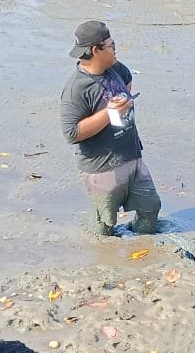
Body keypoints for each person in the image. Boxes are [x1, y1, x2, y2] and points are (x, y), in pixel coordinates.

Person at [60, 21, 162, 237]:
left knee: (150, 208)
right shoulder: (76, 89)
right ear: (95, 50)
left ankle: (142, 246)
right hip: (102, 167)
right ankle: (102, 260)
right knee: (104, 224)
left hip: (131, 156)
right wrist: (109, 112)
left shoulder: (115, 68)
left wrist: (122, 107)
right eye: (110, 44)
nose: (115, 48)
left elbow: (128, 79)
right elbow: (71, 133)